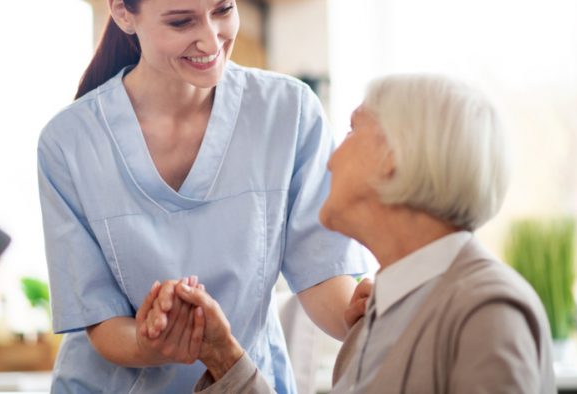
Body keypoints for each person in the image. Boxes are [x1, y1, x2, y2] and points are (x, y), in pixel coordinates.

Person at [36, 0, 367, 392]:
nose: (212, 41)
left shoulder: (288, 113)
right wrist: (153, 340)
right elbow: (100, 322)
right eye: (181, 22)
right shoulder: (68, 142)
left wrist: (364, 313)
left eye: (224, 9)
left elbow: (322, 275)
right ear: (123, 12)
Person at [160, 74, 556, 393]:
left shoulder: (487, 312)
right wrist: (222, 355)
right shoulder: (379, 313)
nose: (330, 159)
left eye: (352, 131)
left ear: (392, 159)